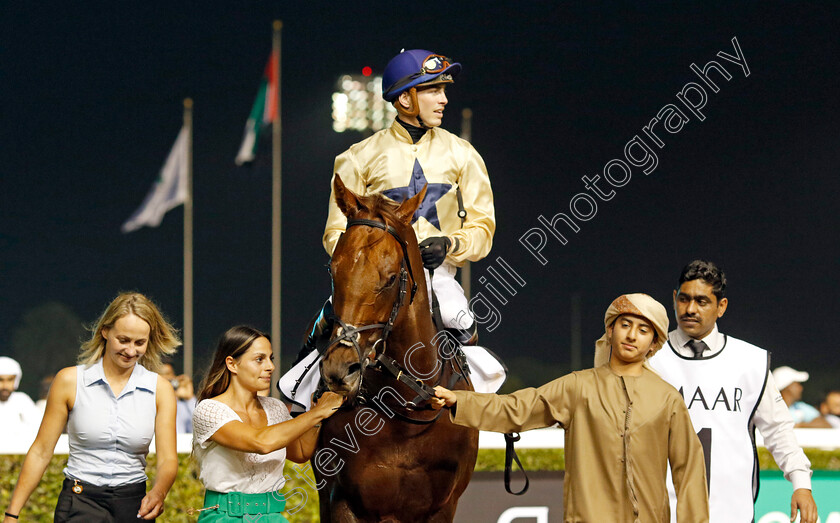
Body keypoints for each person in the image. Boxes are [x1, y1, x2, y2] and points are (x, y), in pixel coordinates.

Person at [279, 48, 504, 411]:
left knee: (459, 319)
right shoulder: (358, 156)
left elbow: (483, 227)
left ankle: (474, 407)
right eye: (433, 90)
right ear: (404, 98)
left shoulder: (464, 155)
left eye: (444, 90)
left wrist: (451, 243)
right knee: (326, 325)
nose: (443, 99)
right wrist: (369, 265)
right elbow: (335, 232)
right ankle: (298, 402)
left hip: (436, 275)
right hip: (372, 279)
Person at [433, 293, 709, 522]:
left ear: (654, 344)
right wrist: (462, 400)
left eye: (644, 330)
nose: (632, 335)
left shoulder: (667, 399)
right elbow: (518, 407)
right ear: (611, 330)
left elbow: (690, 472)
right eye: (625, 325)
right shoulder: (579, 387)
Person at [648, 260, 818, 523]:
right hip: (660, 514)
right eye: (684, 299)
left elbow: (778, 429)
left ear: (721, 307)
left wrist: (801, 483)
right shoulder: (648, 358)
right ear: (674, 299)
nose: (690, 309)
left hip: (732, 513)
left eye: (702, 301)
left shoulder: (751, 361)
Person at [3, 292, 180, 522]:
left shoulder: (160, 389)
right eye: (123, 340)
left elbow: (168, 459)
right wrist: (11, 515)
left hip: (134, 505)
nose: (131, 351)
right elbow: (41, 451)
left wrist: (159, 492)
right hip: (79, 502)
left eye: (140, 343)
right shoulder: (69, 381)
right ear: (105, 332)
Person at [191, 326, 344, 522]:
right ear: (232, 364)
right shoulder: (209, 410)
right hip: (224, 517)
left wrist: (317, 411)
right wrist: (317, 413)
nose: (270, 366)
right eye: (259, 359)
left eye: (271, 358)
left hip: (273, 517)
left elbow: (300, 453)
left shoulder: (276, 408)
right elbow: (262, 443)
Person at [0, 356, 40, 435]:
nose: (5, 386)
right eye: (0, 380)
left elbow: (38, 428)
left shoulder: (22, 400)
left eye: (10, 380)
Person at [160, 362, 196, 433]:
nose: (166, 378)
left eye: (168, 374)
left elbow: (200, 427)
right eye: (161, 374)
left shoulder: (183, 406)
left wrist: (190, 398)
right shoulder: (148, 403)